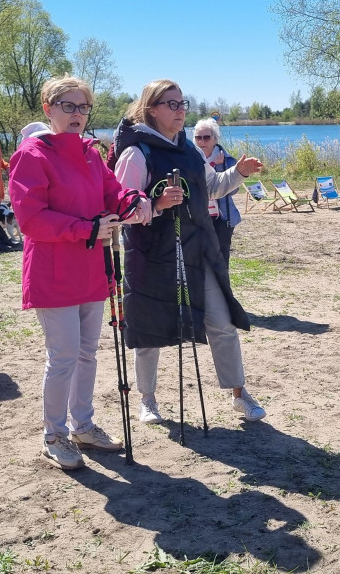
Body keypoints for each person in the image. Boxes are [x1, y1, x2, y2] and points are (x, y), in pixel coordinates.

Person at [9, 75, 152, 471]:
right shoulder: (32, 154)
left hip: (93, 266)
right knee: (64, 356)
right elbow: (30, 218)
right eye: (68, 106)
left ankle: (82, 424)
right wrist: (85, 228)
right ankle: (53, 434)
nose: (77, 114)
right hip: (54, 269)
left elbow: (112, 191)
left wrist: (132, 201)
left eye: (83, 107)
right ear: (48, 109)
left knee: (88, 352)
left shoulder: (91, 153)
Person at [110, 79, 267, 426]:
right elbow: (121, 208)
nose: (181, 111)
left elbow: (211, 187)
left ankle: (239, 394)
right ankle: (147, 400)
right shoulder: (136, 153)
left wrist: (237, 173)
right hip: (151, 254)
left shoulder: (190, 150)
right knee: (148, 328)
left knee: (221, 321)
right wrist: (158, 203)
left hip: (196, 248)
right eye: (172, 104)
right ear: (152, 109)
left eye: (183, 104)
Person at [192, 118, 242, 266]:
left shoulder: (226, 159)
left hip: (222, 218)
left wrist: (220, 168)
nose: (202, 142)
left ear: (215, 139)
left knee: (220, 259)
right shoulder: (191, 158)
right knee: (199, 258)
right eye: (198, 138)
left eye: (206, 137)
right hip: (198, 216)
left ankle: (222, 288)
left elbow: (234, 190)